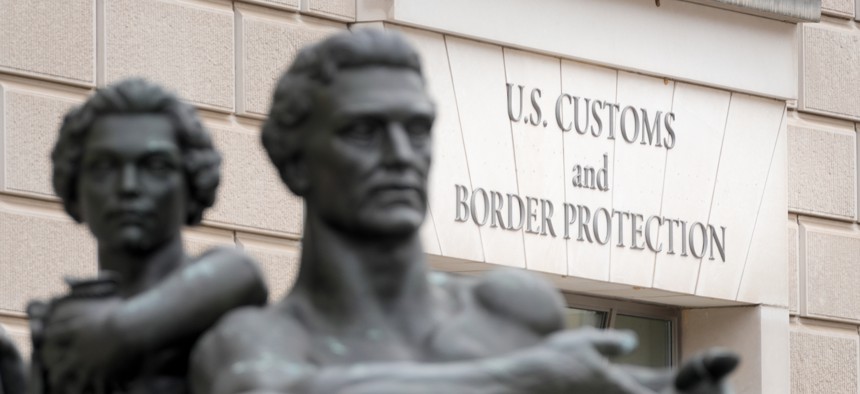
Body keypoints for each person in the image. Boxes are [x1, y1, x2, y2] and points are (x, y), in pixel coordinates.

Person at [190, 29, 737, 394]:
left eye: (417, 129)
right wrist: (519, 377)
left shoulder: (513, 312)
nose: (401, 156)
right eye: (363, 132)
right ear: (295, 162)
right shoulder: (255, 342)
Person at [23, 78, 269, 394]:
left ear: (192, 184)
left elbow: (242, 271)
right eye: (103, 167)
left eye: (155, 167)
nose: (128, 186)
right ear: (75, 187)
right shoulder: (65, 328)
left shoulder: (226, 308)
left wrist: (120, 333)